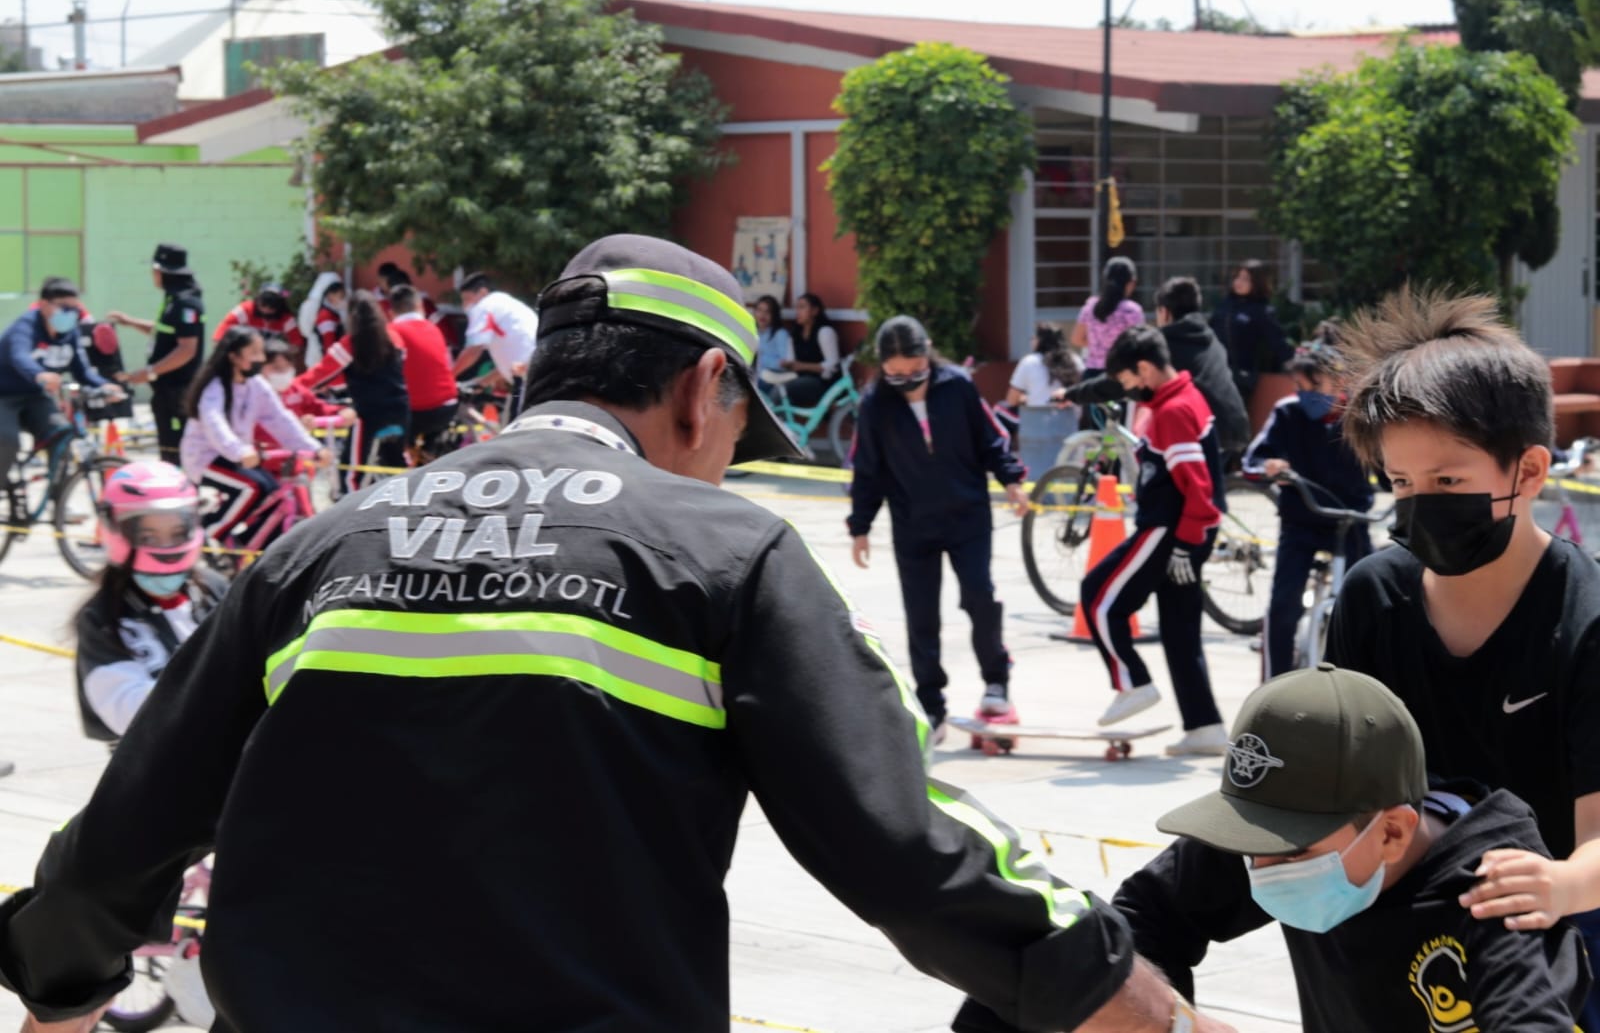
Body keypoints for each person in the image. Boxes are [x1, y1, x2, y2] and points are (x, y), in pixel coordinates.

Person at [0, 233, 1234, 1033]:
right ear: (705, 385)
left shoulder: (320, 546)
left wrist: (59, 984)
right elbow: (907, 839)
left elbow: (127, 827)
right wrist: (1126, 992)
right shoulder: (721, 551)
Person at [1325, 288, 1600, 1029]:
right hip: (1403, 920)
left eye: (1448, 482)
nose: (1419, 506)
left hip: (1553, 931)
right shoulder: (1371, 598)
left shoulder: (1587, 622)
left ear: (1531, 470)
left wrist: (1557, 885)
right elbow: (1337, 780)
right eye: (1400, 484)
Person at [1109, 665, 1592, 1032]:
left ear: (1392, 834)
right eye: (1250, 846)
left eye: (1291, 851)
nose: (1264, 869)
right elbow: (1143, 917)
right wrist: (1170, 1020)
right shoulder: (1286, 828)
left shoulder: (1495, 895)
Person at [848, 315, 1031, 740]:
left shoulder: (958, 386)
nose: (907, 381)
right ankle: (931, 705)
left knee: (979, 596)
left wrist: (1012, 480)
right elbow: (867, 469)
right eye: (896, 374)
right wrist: (861, 526)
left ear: (927, 353)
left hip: (968, 516)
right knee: (921, 616)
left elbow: (991, 439)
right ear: (883, 367)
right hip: (913, 524)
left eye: (914, 371)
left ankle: (996, 681)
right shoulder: (875, 405)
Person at [1081, 325, 1228, 755]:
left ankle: (1133, 683)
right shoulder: (1181, 398)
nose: (1127, 390)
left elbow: (1197, 486)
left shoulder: (1172, 410)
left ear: (1143, 368)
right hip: (1183, 531)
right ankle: (1205, 728)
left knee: (1098, 598)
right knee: (1180, 632)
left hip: (1169, 529)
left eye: (1127, 381)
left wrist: (1185, 542)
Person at [1242, 335, 1373, 677]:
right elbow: (1252, 460)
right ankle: (1272, 688)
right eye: (1298, 384)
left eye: (1312, 384)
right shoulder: (1288, 413)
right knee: (1283, 609)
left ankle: (1361, 684)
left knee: (1369, 608)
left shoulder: (1359, 418)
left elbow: (1392, 470)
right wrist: (1269, 467)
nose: (1304, 393)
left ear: (1341, 381)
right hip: (1300, 522)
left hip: (1351, 523)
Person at [75, 461, 229, 742]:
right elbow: (127, 710)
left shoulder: (213, 589)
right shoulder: (103, 617)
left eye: (177, 533)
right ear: (115, 530)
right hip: (152, 767)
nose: (166, 548)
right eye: (148, 536)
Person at [1056, 277, 1251, 460]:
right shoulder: (1210, 337)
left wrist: (1072, 394)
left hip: (1202, 430)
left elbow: (1118, 381)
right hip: (1235, 425)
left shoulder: (1162, 343)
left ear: (1164, 312)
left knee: (1157, 479)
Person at [179, 327, 330, 546]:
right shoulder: (215, 388)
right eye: (255, 352)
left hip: (236, 456)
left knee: (272, 489)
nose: (261, 358)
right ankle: (209, 536)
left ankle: (248, 541)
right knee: (254, 487)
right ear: (234, 356)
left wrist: (313, 448)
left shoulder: (256, 385)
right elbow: (215, 425)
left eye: (261, 352)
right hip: (206, 458)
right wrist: (239, 450)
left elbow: (280, 419)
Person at [0, 278, 122, 485]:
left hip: (36, 397)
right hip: (4, 395)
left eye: (75, 308)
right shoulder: (25, 327)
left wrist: (104, 385)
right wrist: (40, 375)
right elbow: (20, 357)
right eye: (64, 307)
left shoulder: (70, 333)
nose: (71, 314)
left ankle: (58, 499)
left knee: (62, 436)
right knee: (7, 439)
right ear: (45, 305)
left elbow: (82, 371)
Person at [294, 292, 410, 493]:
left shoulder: (350, 344)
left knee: (351, 473)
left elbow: (321, 374)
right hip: (401, 410)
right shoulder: (395, 338)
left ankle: (347, 512)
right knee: (397, 466)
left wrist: (290, 389)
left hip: (369, 415)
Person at [104, 244, 204, 464]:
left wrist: (150, 372)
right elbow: (163, 333)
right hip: (165, 392)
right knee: (168, 450)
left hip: (179, 392)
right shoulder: (172, 301)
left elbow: (187, 349)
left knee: (179, 451)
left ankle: (182, 492)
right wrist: (129, 321)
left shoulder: (186, 303)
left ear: (161, 272)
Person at [386, 284, 460, 449]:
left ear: (391, 312)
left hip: (414, 412)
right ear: (420, 305)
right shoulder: (434, 329)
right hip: (448, 406)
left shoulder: (390, 331)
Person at [1209, 259, 1292, 404]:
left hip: (1241, 377)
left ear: (1257, 283)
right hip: (1216, 373)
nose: (1238, 282)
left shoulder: (1261, 311)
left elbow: (1277, 341)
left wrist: (1292, 363)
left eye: (1245, 279)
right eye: (1237, 277)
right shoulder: (1226, 305)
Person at [1006, 321, 1082, 477]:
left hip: (1036, 427)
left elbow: (1011, 400)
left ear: (1039, 340)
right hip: (1068, 426)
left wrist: (1026, 398)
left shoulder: (1029, 362)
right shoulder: (1075, 361)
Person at [455, 271, 539, 396]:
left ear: (483, 292)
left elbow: (473, 350)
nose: (465, 305)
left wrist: (448, 377)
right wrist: (482, 383)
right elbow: (516, 358)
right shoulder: (506, 305)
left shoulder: (484, 306)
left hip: (530, 378)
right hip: (536, 371)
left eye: (467, 299)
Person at [259, 337, 354, 443]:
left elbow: (319, 407)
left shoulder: (296, 391)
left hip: (297, 453)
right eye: (276, 368)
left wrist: (341, 411)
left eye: (288, 367)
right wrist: (296, 425)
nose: (283, 372)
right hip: (262, 455)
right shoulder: (251, 394)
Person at [1072, 256, 1144, 378]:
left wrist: (1099, 345)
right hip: (1122, 376)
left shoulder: (1090, 307)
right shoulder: (1132, 311)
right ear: (1131, 283)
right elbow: (1139, 345)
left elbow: (1077, 339)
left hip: (1092, 375)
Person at [778, 291, 840, 406]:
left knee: (782, 390)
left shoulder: (824, 332)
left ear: (815, 311)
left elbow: (832, 365)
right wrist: (788, 364)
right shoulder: (795, 334)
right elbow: (792, 359)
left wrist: (803, 366)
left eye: (802, 307)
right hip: (799, 377)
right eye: (797, 308)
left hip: (822, 382)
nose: (798, 312)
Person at [213, 282, 304, 355]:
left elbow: (296, 343)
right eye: (263, 305)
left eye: (272, 307)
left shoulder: (286, 318)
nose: (266, 310)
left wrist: (283, 353)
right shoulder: (245, 310)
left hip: (268, 357)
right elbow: (224, 327)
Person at [298, 272, 348, 358]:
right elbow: (329, 346)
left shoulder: (330, 311)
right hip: (326, 361)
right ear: (329, 296)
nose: (342, 299)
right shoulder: (326, 316)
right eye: (340, 296)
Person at [753, 294, 793, 397]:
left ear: (774, 315)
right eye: (759, 310)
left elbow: (784, 363)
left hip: (772, 378)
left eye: (767, 312)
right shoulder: (754, 332)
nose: (762, 315)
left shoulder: (780, 334)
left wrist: (761, 359)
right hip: (755, 375)